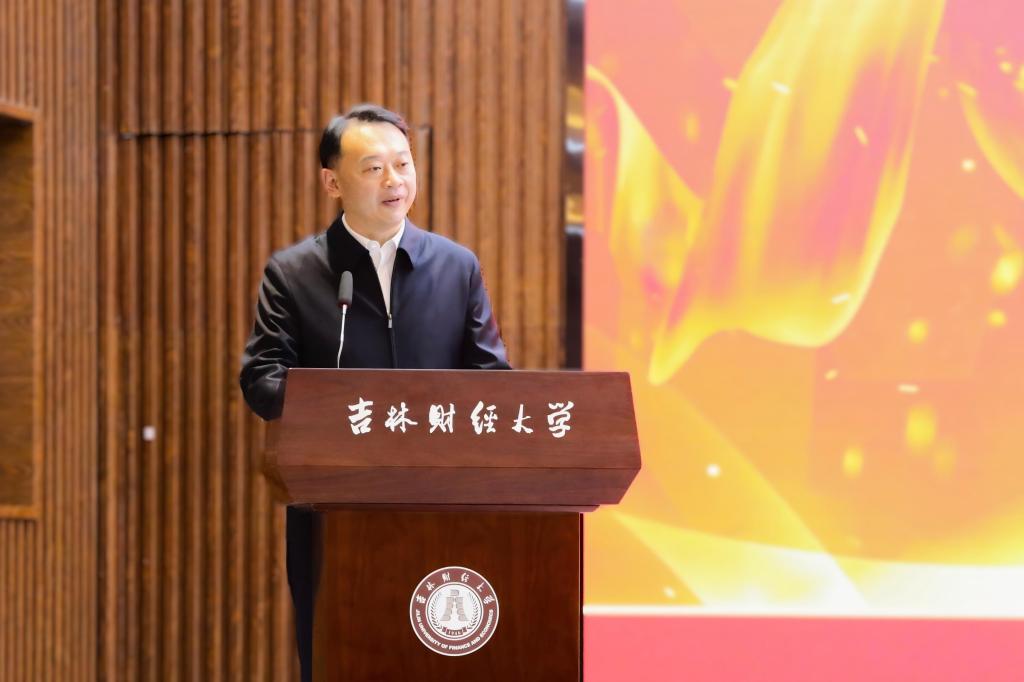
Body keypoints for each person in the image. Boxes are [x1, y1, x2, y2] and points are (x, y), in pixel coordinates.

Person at [239, 103, 509, 681]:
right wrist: (336, 407)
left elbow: (492, 382)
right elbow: (261, 380)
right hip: (332, 510)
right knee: (339, 657)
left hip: (441, 506)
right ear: (332, 182)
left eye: (403, 164)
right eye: (373, 168)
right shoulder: (294, 273)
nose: (394, 180)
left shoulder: (456, 267)